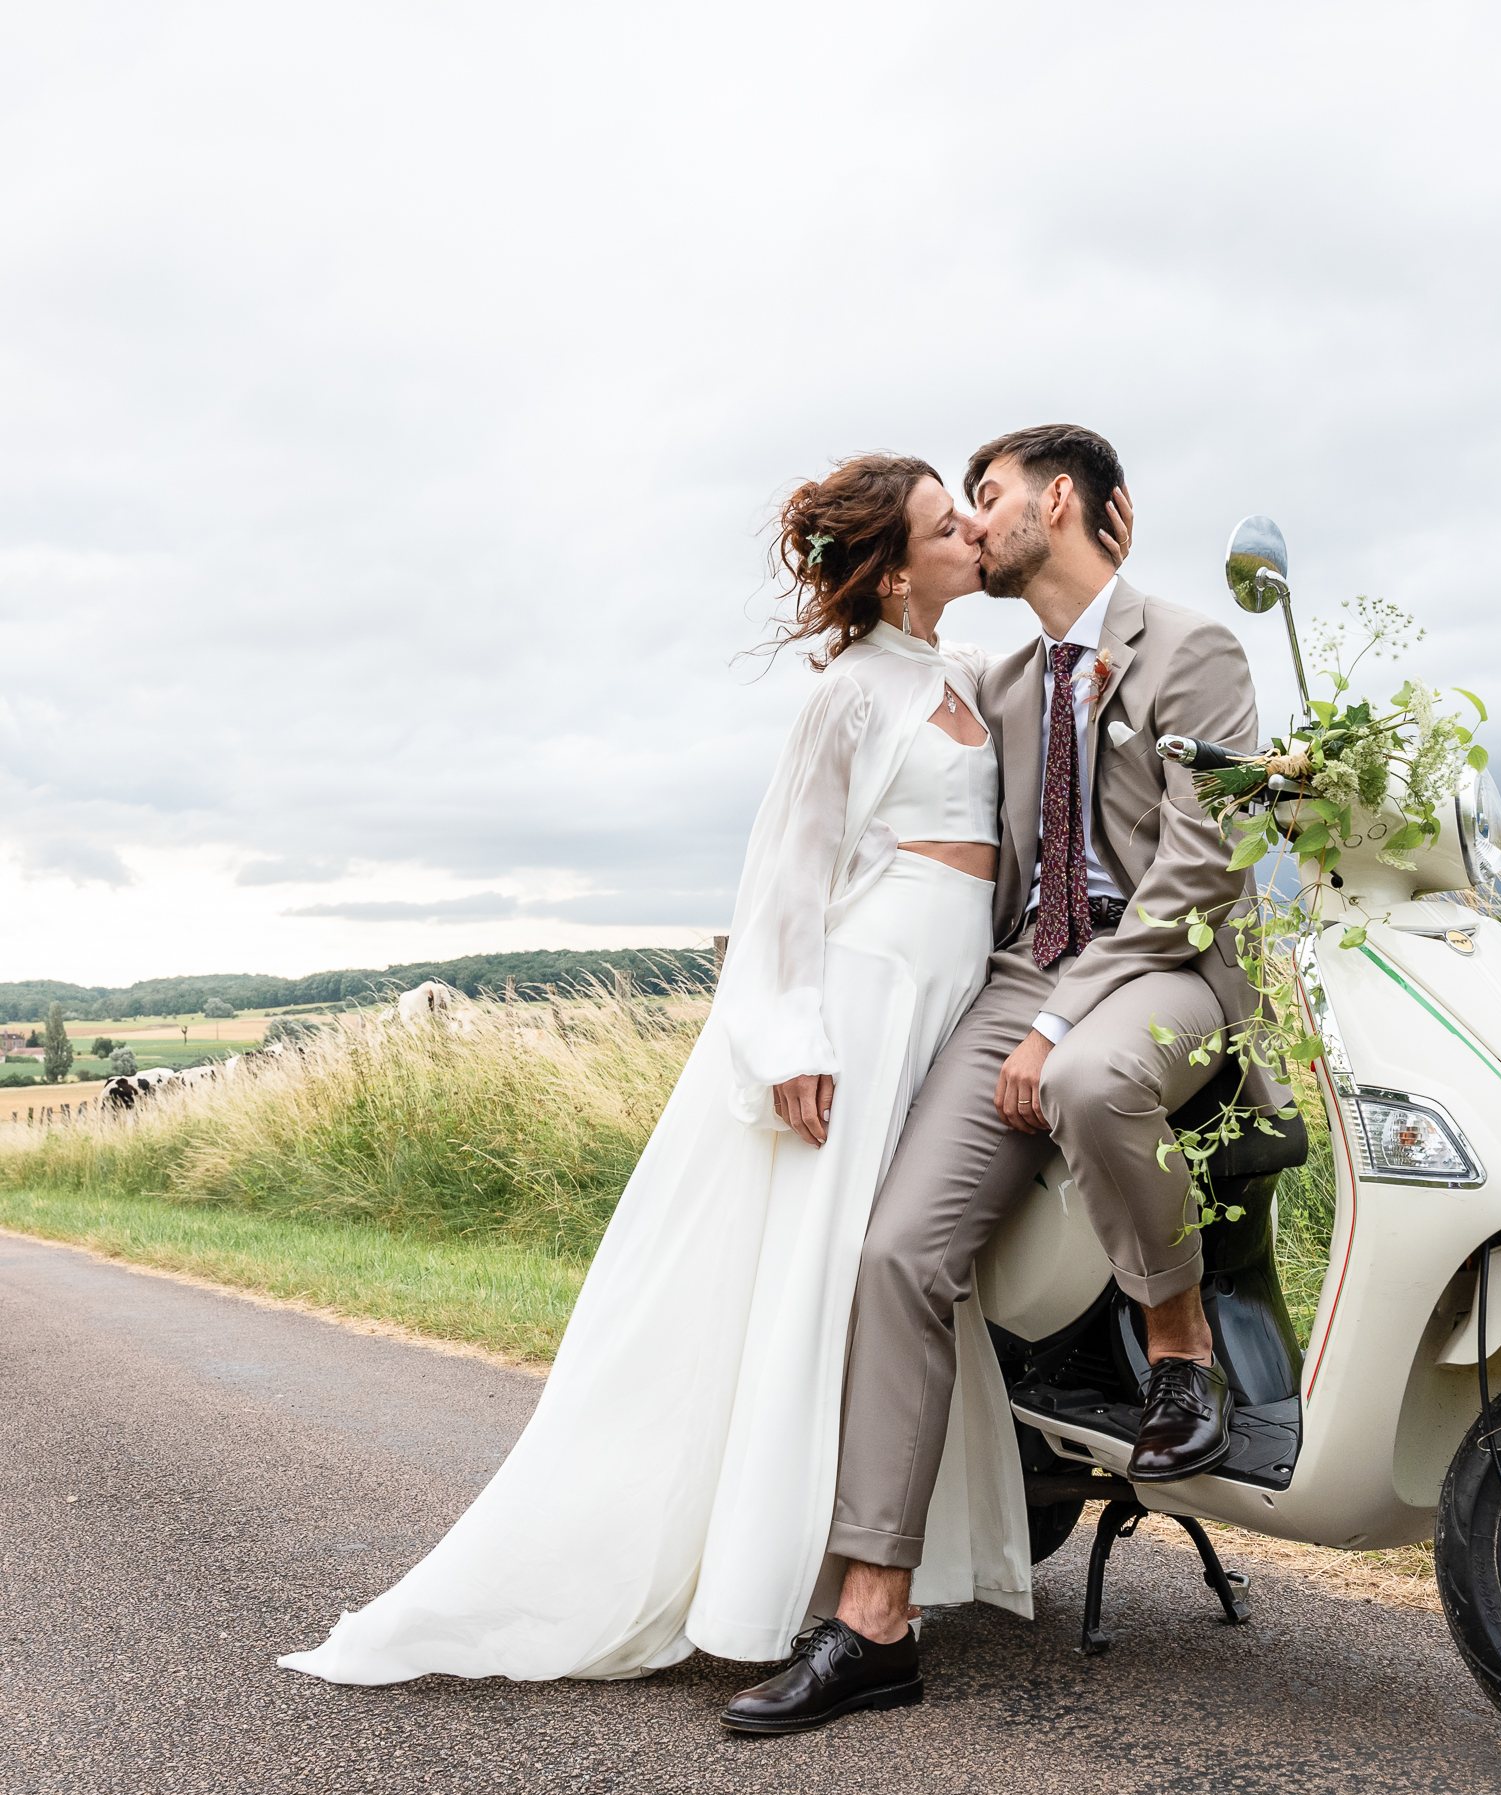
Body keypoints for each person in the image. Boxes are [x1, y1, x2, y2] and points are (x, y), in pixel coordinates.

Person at [278, 452, 1132, 1691]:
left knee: (880, 1285)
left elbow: (1068, 679)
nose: (970, 534)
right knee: (808, 1287)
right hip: (858, 1012)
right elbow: (785, 879)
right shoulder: (846, 695)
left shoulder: (959, 673)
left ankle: (859, 1567)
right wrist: (791, 1039)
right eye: (948, 525)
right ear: (896, 571)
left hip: (943, 1013)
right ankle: (772, 1575)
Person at [721, 424, 1284, 1734]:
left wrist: (1060, 1017)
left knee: (1088, 1078)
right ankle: (874, 1620)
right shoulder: (1007, 680)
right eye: (958, 510)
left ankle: (1180, 1352)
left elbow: (1200, 874)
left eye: (987, 497)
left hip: (1165, 971)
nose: (973, 524)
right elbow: (895, 710)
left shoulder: (1195, 650)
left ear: (1067, 500)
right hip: (1019, 990)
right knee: (897, 1258)